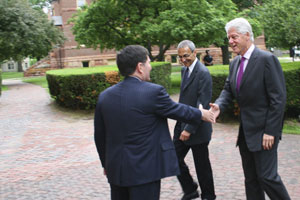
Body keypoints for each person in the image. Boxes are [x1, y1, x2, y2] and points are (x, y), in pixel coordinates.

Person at [94, 45, 214, 200]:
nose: (150, 67)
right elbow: (177, 110)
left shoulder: (104, 97)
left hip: (116, 170)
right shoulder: (152, 92)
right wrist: (201, 113)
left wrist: (106, 164)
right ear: (140, 67)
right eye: (148, 63)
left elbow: (99, 136)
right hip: (145, 172)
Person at [210, 18, 291, 200]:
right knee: (251, 180)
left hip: (265, 133)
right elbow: (228, 90)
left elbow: (278, 99)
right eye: (229, 38)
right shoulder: (235, 63)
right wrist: (219, 106)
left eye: (234, 37)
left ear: (247, 35)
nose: (230, 41)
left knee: (267, 177)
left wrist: (271, 131)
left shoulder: (267, 59)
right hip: (246, 133)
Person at [174, 40, 216, 200]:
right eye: (180, 57)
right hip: (182, 123)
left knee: (202, 167)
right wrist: (180, 125)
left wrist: (188, 129)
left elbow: (202, 105)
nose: (183, 60)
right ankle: (190, 188)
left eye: (186, 56)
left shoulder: (203, 73)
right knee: (173, 157)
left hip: (197, 128)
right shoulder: (184, 71)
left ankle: (209, 196)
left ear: (194, 53)